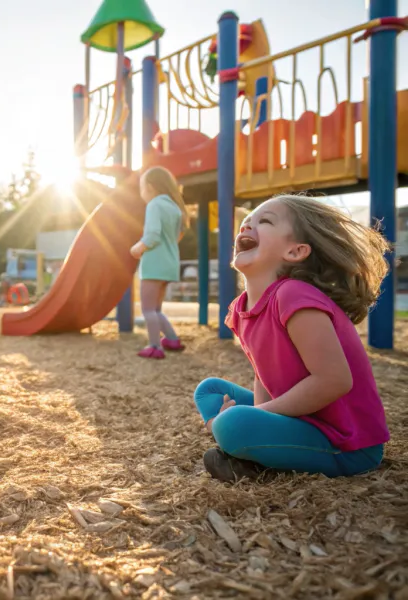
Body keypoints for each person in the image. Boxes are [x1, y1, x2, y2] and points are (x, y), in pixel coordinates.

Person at [194, 194, 390, 483]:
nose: (246, 227)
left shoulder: (294, 295)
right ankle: (245, 447)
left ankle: (244, 447)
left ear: (296, 251)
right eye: (246, 223)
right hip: (301, 418)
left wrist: (255, 415)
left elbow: (334, 380)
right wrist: (261, 415)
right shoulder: (241, 308)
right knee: (209, 389)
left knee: (234, 423)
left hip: (346, 442)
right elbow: (264, 374)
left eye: (265, 221)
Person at [130, 166, 189, 359]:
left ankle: (155, 346)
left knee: (148, 309)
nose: (142, 193)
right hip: (169, 264)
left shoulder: (154, 205)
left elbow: (153, 235)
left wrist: (138, 247)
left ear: (150, 187)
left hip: (154, 265)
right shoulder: (175, 207)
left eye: (142, 188)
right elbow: (175, 236)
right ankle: (171, 339)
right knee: (156, 310)